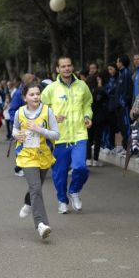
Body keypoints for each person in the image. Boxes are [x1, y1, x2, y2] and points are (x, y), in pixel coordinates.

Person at [41, 56, 93, 214]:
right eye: (63, 66)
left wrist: (87, 116)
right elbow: (41, 110)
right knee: (60, 173)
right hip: (59, 137)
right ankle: (62, 201)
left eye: (69, 65)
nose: (66, 69)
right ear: (57, 69)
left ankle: (74, 191)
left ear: (73, 67)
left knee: (81, 167)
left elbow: (87, 104)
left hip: (79, 134)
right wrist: (51, 118)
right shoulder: (51, 89)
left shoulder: (82, 86)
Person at [12, 83, 59, 240]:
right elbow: (14, 129)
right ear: (25, 97)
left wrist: (40, 130)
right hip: (26, 155)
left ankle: (28, 203)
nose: (36, 97)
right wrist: (16, 135)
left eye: (38, 93)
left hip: (44, 155)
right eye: (32, 94)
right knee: (36, 187)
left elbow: (56, 134)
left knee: (35, 188)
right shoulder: (20, 112)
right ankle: (41, 224)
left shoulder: (47, 111)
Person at [9, 73, 35, 177]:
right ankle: (18, 168)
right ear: (27, 81)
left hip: (32, 124)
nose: (35, 81)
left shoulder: (33, 92)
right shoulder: (19, 93)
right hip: (21, 125)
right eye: (33, 80)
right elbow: (12, 110)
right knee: (21, 147)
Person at [86, 73, 108, 166]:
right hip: (99, 117)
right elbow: (106, 100)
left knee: (89, 139)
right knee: (98, 139)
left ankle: (87, 159)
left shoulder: (85, 92)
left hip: (88, 118)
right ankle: (95, 160)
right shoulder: (101, 90)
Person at [114, 54, 133, 153]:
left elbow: (126, 90)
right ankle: (125, 147)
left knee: (126, 126)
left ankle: (128, 148)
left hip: (124, 106)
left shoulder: (126, 73)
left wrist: (123, 103)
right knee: (121, 127)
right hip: (119, 106)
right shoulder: (121, 73)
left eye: (117, 61)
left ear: (121, 62)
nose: (116, 63)